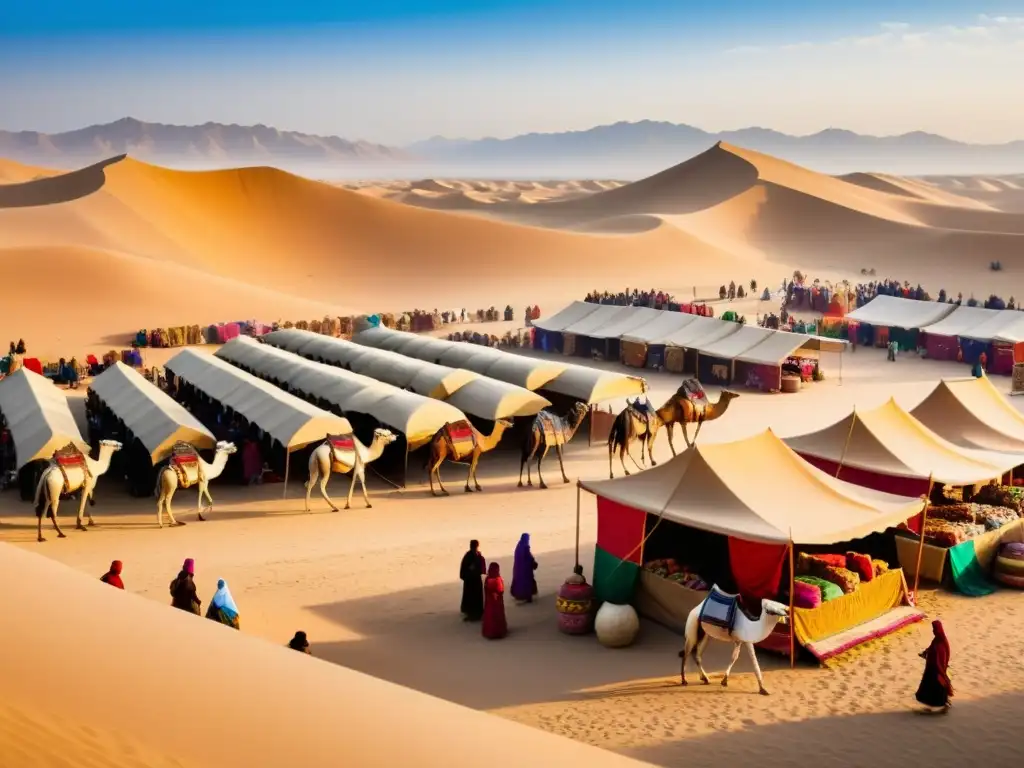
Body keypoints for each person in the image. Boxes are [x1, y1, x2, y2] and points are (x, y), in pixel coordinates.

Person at [916, 620, 953, 711]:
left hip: (937, 668)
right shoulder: (937, 639)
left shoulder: (942, 641)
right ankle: (939, 704)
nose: (933, 631)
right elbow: (931, 648)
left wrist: (941, 666)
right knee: (930, 686)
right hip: (932, 667)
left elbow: (944, 654)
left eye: (934, 629)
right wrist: (925, 652)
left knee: (939, 685)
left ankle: (945, 704)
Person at [459, 539, 486, 621]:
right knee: (471, 596)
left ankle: (477, 612)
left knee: (475, 596)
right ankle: (472, 612)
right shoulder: (469, 556)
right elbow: (465, 569)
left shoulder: (476, 555)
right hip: (471, 580)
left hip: (475, 579)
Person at [482, 563, 507, 640]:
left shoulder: (487, 579)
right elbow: (501, 589)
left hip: (489, 602)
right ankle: (498, 632)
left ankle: (489, 631)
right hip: (497, 602)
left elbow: (486, 589)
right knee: (497, 616)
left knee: (489, 616)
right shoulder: (497, 579)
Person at [511, 533, 538, 603]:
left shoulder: (519, 546)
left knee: (519, 581)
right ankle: (528, 596)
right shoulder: (526, 547)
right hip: (526, 570)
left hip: (518, 569)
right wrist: (533, 562)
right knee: (527, 582)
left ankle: (519, 595)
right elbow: (528, 557)